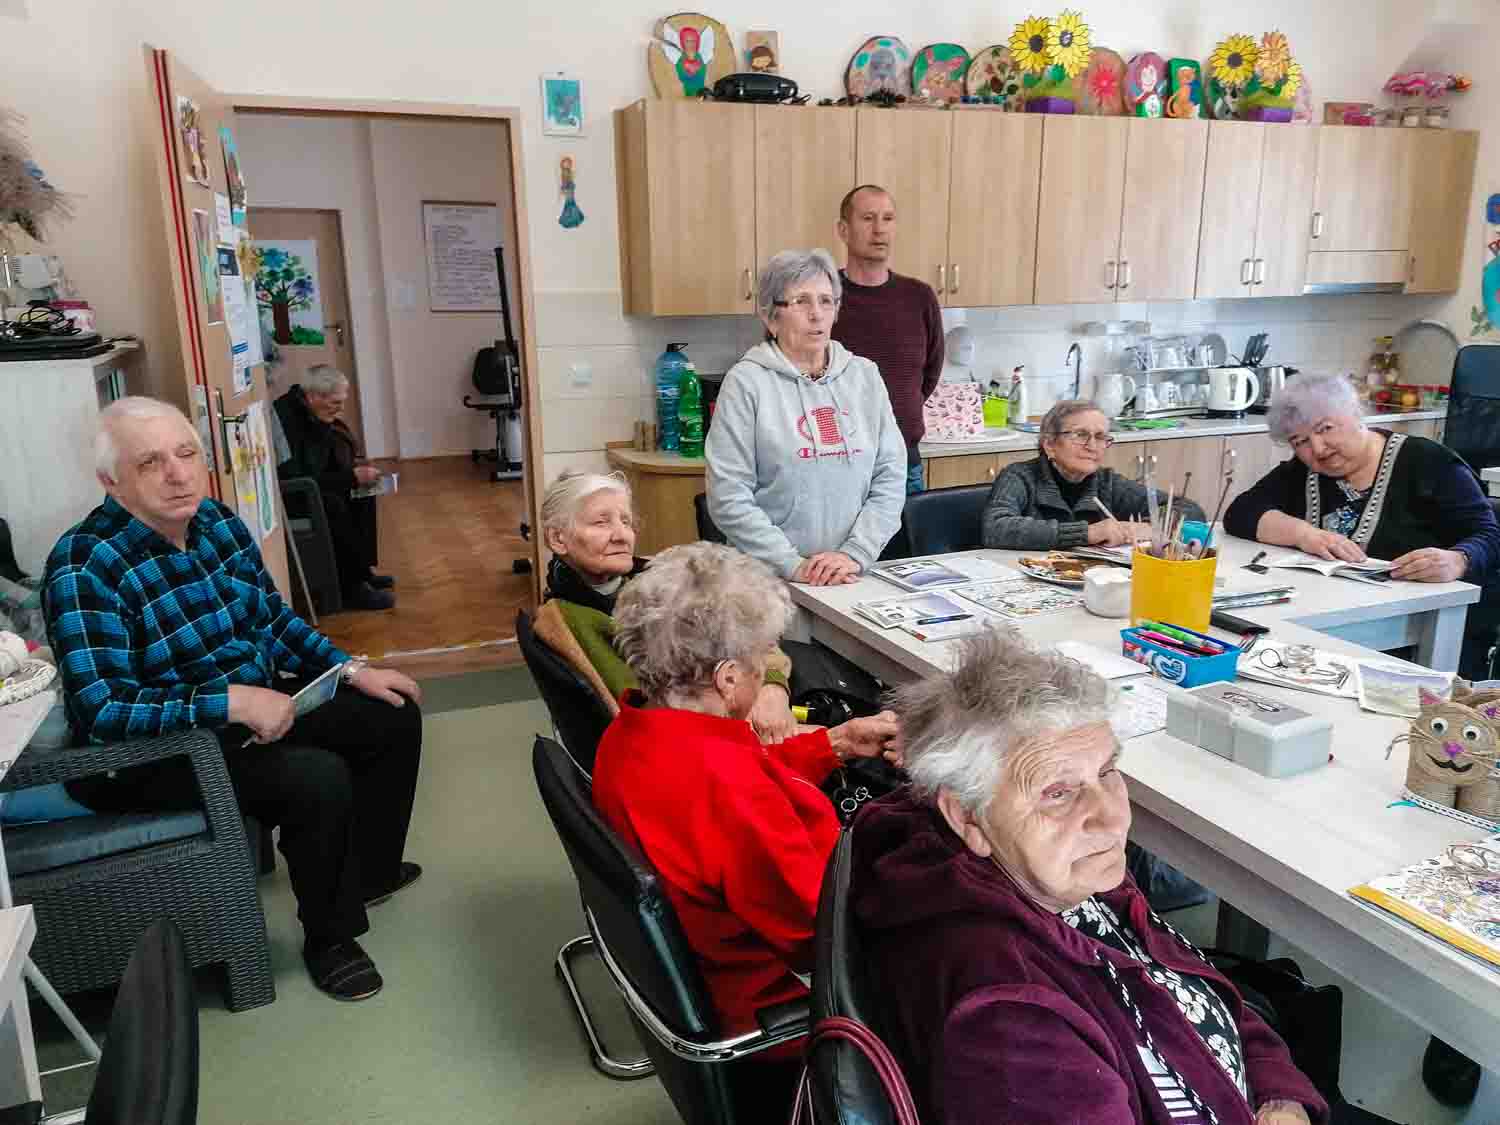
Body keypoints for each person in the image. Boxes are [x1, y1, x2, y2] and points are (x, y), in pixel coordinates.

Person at [852, 627, 1328, 1125]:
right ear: (967, 817)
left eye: (1105, 772)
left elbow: (1191, 985)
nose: (1112, 817)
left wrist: (1281, 1095)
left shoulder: (1060, 872)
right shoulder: (1010, 1027)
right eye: (1057, 793)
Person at [45, 396, 423, 1002]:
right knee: (314, 777)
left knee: (390, 713)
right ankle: (330, 938)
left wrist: (348, 669)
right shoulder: (83, 565)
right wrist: (228, 702)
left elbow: (272, 619)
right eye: (150, 462)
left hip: (248, 708)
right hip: (151, 754)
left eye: (186, 454)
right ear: (111, 482)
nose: (177, 474)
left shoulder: (217, 523)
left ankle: (367, 875)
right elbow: (103, 709)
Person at [592, 542, 900, 1117]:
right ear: (729, 678)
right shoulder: (733, 796)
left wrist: (832, 743)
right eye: (763, 657)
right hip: (776, 1007)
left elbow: (729, 774)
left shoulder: (630, 730)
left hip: (710, 963)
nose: (767, 668)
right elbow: (827, 933)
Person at [1224, 373, 1500, 679]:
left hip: (1421, 628)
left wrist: (1459, 560)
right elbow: (1241, 513)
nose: (1318, 448)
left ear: (1355, 414)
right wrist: (1304, 534)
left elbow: (1490, 535)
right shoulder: (1302, 471)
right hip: (1332, 622)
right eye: (1300, 442)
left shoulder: (1430, 463)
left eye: (1325, 429)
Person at [537, 469, 798, 743]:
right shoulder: (567, 621)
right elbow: (655, 713)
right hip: (700, 738)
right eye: (601, 522)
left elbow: (751, 633)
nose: (622, 535)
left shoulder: (652, 581)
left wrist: (772, 686)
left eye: (626, 521)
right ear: (558, 539)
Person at [706, 248, 906, 586]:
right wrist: (793, 565)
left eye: (826, 301)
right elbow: (728, 497)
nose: (816, 314)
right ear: (770, 317)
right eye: (801, 302)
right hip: (765, 582)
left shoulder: (864, 376)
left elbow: (891, 475)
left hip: (850, 573)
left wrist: (854, 553)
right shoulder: (745, 382)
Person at [832, 185, 944, 494]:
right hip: (835, 465)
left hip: (903, 463)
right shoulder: (822, 297)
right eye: (868, 218)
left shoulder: (919, 297)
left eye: (888, 218)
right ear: (843, 230)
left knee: (911, 529)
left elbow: (929, 374)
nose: (879, 229)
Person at [983, 399, 1205, 550]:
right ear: (1049, 444)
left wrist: (1149, 526)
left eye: (1100, 437)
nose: (1092, 446)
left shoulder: (1106, 482)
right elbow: (995, 528)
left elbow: (1191, 510)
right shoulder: (1019, 477)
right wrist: (1088, 533)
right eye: (1080, 435)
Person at [273, 365, 394, 611]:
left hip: (314, 485)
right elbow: (300, 476)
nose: (340, 409)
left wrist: (355, 470)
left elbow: (324, 464)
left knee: (365, 493)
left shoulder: (314, 413)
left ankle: (361, 572)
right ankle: (350, 589)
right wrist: (349, 477)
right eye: (335, 403)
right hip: (295, 493)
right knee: (335, 504)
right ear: (313, 397)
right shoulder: (287, 419)